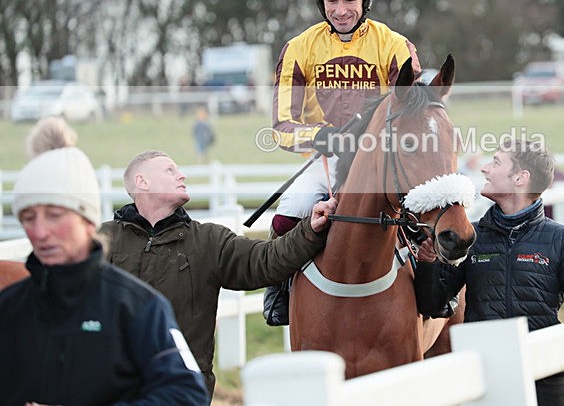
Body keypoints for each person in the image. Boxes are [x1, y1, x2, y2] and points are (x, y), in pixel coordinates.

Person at [265, 0, 421, 325]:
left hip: (385, 157)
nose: (340, 10)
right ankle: (278, 294)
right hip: (327, 158)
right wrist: (321, 137)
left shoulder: (395, 46)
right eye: (331, 0)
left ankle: (438, 292)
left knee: (431, 215)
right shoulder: (299, 48)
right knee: (288, 215)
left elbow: (415, 113)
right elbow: (282, 126)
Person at [0, 123, 209, 405]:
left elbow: (186, 395)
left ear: (87, 221)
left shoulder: (139, 307)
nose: (39, 231)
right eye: (28, 218)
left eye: (54, 215)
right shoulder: (10, 307)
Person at [99, 150, 337, 395]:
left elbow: (266, 260)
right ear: (142, 182)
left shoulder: (209, 241)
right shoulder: (101, 241)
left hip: (180, 391)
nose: (182, 175)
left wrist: (310, 229)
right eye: (170, 170)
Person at [414, 140, 564, 406]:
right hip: (482, 377)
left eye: (495, 162)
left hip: (544, 379)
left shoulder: (563, 241)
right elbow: (433, 305)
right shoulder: (472, 238)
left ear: (521, 178)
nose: (484, 168)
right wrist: (428, 265)